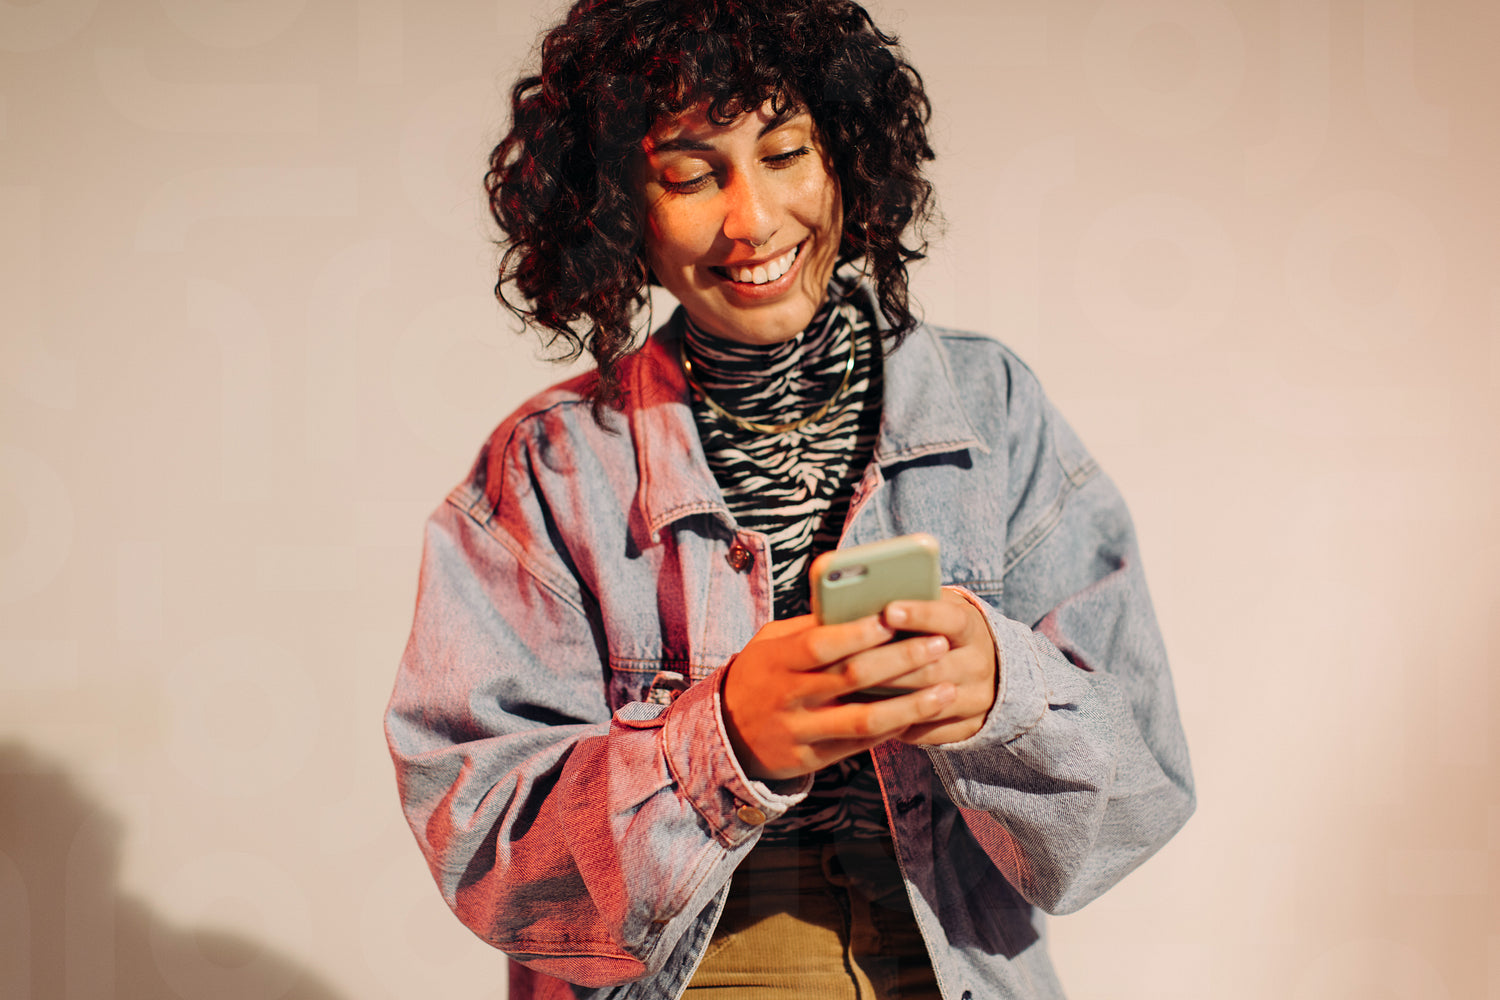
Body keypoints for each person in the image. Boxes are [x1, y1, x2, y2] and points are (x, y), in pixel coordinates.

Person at [384, 1, 1195, 997]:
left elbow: (1142, 797)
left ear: (845, 154)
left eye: (785, 153)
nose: (753, 219)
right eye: (691, 175)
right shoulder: (546, 470)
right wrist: (727, 743)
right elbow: (489, 857)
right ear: (618, 205)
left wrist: (1003, 692)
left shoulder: (993, 409)